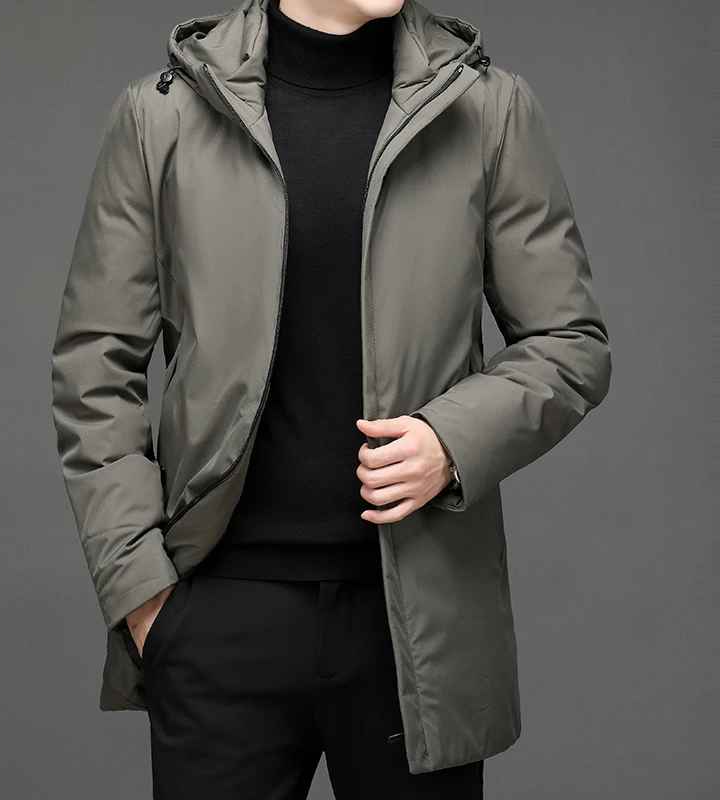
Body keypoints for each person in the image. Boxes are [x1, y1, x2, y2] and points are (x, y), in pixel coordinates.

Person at [50, 0, 611, 797]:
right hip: (217, 615)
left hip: (418, 625)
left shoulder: (486, 108)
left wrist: (452, 441)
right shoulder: (162, 115)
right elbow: (93, 369)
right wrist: (143, 595)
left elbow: (569, 341)